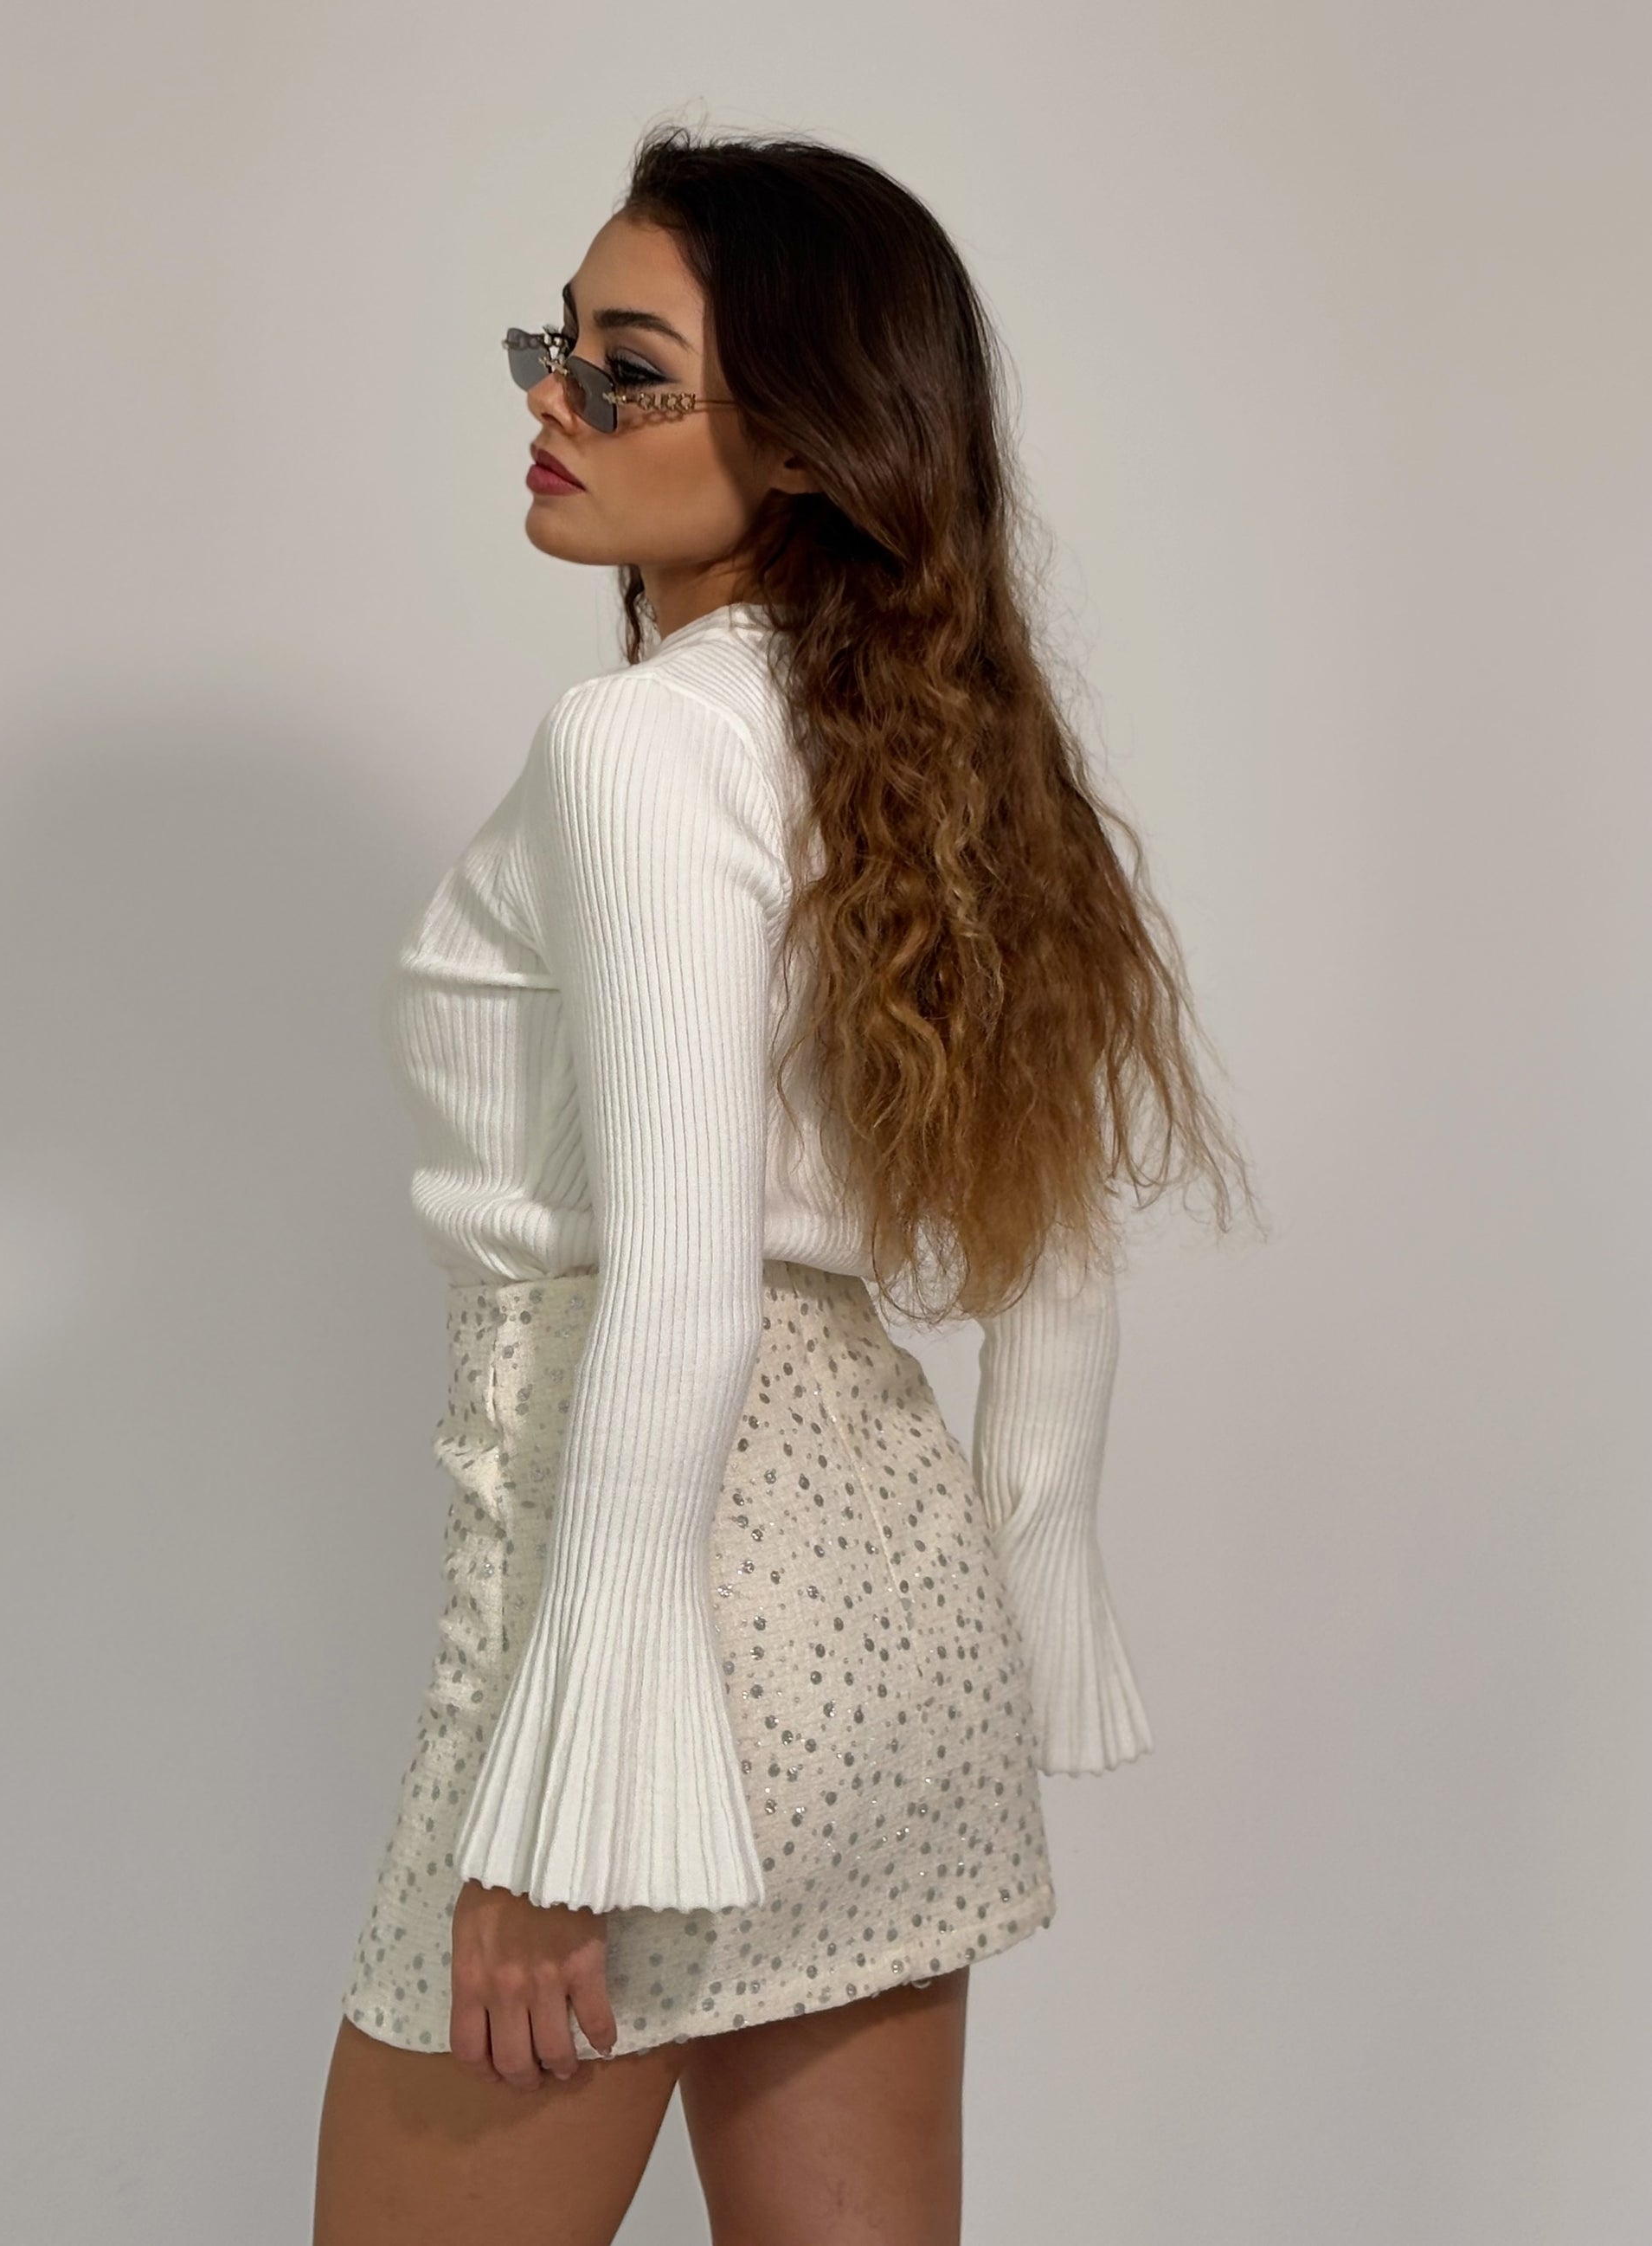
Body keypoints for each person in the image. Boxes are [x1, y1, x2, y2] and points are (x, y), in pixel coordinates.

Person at [312, 125, 1256, 2246]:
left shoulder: (645, 742)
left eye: (628, 369)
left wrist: (564, 1808)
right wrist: (1034, 1555)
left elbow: (675, 1288)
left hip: (643, 1626)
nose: (557, 398)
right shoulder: (933, 759)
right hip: (891, 1634)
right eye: (557, 344)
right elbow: (1051, 1232)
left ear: (812, 444)